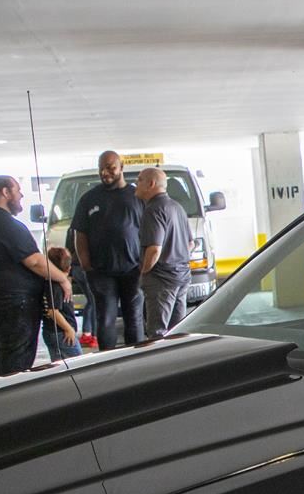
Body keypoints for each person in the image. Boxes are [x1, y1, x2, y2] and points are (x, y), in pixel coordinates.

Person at [0, 176, 71, 376]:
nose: (21, 195)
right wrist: (63, 278)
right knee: (16, 365)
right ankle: (12, 403)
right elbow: (34, 261)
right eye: (18, 190)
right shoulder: (4, 224)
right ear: (5, 193)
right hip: (14, 306)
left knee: (1, 358)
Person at [72, 150, 143, 348]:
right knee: (105, 319)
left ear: (121, 168)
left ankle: (137, 360)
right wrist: (86, 265)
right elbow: (80, 234)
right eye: (101, 168)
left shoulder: (137, 196)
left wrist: (145, 265)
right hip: (101, 271)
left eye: (110, 168)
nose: (105, 172)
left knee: (134, 319)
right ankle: (108, 361)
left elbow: (149, 231)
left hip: (133, 270)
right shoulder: (88, 199)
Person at [135, 166, 193, 338]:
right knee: (178, 331)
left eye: (139, 180)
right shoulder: (177, 207)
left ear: (151, 184)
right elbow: (190, 243)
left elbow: (154, 249)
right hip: (182, 276)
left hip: (161, 280)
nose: (135, 184)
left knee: (157, 333)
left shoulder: (153, 210)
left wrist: (144, 271)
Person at [41, 246, 83, 360]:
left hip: (53, 331)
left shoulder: (49, 283)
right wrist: (68, 329)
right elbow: (53, 311)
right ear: (69, 268)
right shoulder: (56, 286)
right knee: (77, 363)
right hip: (61, 332)